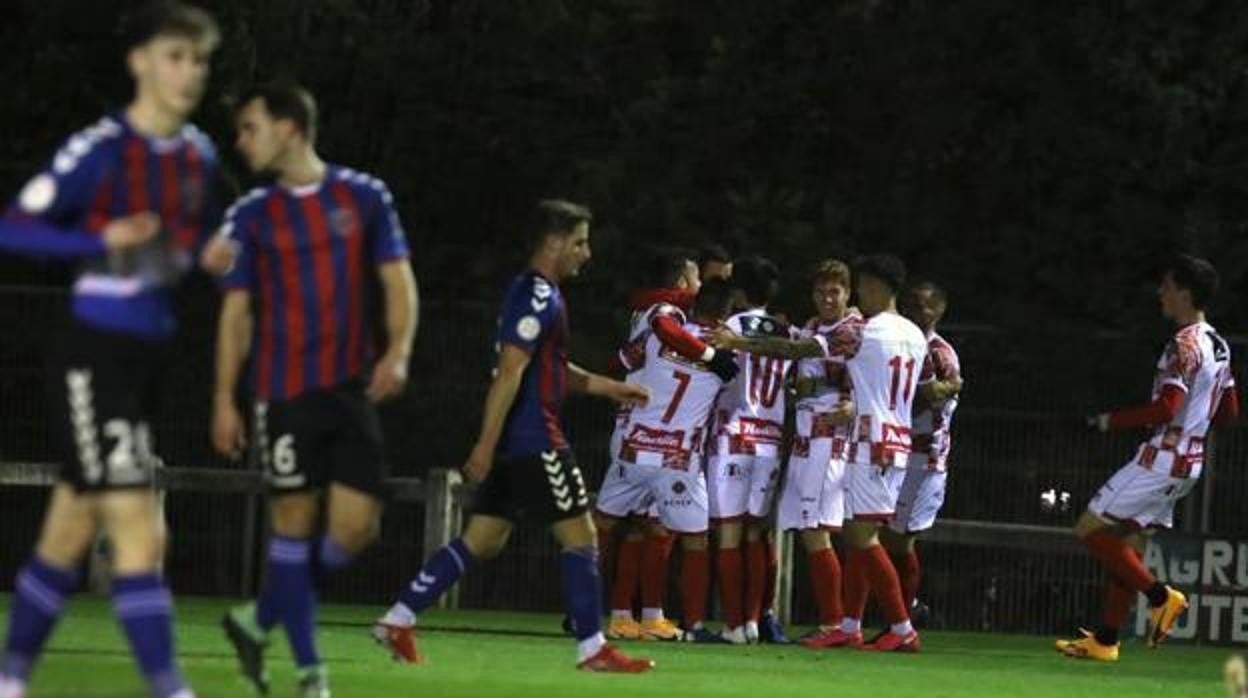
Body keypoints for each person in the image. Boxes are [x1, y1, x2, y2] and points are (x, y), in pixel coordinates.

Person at [0, 4, 220, 697]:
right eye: (175, 57)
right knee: (138, 529)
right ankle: (169, 688)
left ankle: (8, 680)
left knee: (66, 536)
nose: (189, 73)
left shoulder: (197, 156)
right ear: (141, 63)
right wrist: (100, 241)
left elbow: (196, 245)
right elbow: (14, 227)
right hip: (93, 354)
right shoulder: (99, 148)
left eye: (199, 60)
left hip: (148, 359)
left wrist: (215, 255)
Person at [371, 200, 655, 672]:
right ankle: (593, 649)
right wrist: (484, 444)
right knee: (582, 538)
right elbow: (510, 372)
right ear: (554, 242)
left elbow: (550, 369)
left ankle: (397, 620)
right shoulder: (539, 296)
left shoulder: (534, 292)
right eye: (581, 242)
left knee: (483, 539)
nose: (587, 252)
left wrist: (605, 388)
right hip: (534, 438)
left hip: (515, 442)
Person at [209, 83, 418, 697]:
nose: (242, 140)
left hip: (349, 388)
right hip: (283, 392)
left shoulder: (363, 197)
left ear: (291, 127)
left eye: (251, 127)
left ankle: (258, 618)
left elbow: (398, 281)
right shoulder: (250, 215)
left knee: (357, 528)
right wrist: (225, 396)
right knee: (293, 530)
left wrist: (399, 352)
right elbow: (235, 314)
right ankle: (310, 675)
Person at [710, 253, 931, 652]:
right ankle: (850, 623)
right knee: (854, 533)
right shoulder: (914, 334)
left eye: (857, 287)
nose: (855, 296)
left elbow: (799, 351)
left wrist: (738, 342)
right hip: (888, 438)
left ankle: (897, 627)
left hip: (866, 440)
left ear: (874, 287)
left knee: (857, 536)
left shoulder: (865, 330)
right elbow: (926, 386)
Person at [1057, 254, 1238, 662]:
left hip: (1162, 458)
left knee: (1090, 528)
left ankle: (1161, 597)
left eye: (1168, 286)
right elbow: (1229, 413)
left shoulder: (1183, 343)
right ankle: (1105, 640)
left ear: (1185, 294)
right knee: (1128, 545)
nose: (1162, 293)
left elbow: (1166, 408)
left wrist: (1104, 422)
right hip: (1190, 462)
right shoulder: (1218, 344)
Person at [597, 247, 737, 641]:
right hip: (672, 449)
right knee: (666, 533)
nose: (695, 288)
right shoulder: (673, 319)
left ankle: (621, 614)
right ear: (680, 284)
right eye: (694, 278)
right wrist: (716, 355)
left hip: (635, 434)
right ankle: (681, 622)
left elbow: (622, 361)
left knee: (627, 528)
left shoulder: (653, 319)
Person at [774, 260, 861, 648]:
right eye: (822, 292)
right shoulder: (810, 326)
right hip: (805, 436)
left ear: (848, 293)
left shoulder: (855, 331)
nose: (828, 299)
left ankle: (837, 623)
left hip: (831, 438)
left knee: (819, 529)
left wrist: (856, 404)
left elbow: (875, 380)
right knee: (809, 530)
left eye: (835, 292)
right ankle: (841, 622)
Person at [705, 256, 792, 644]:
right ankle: (755, 620)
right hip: (770, 439)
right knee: (757, 533)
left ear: (738, 292)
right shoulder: (786, 332)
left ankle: (733, 625)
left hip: (734, 433)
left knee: (728, 533)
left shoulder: (730, 327)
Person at [881, 281, 962, 629]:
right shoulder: (905, 343)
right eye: (912, 302)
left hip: (926, 458)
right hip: (898, 452)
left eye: (926, 305)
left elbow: (933, 402)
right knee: (887, 538)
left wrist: (893, 402)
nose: (918, 310)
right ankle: (903, 610)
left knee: (900, 539)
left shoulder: (940, 352)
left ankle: (905, 615)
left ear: (939, 310)